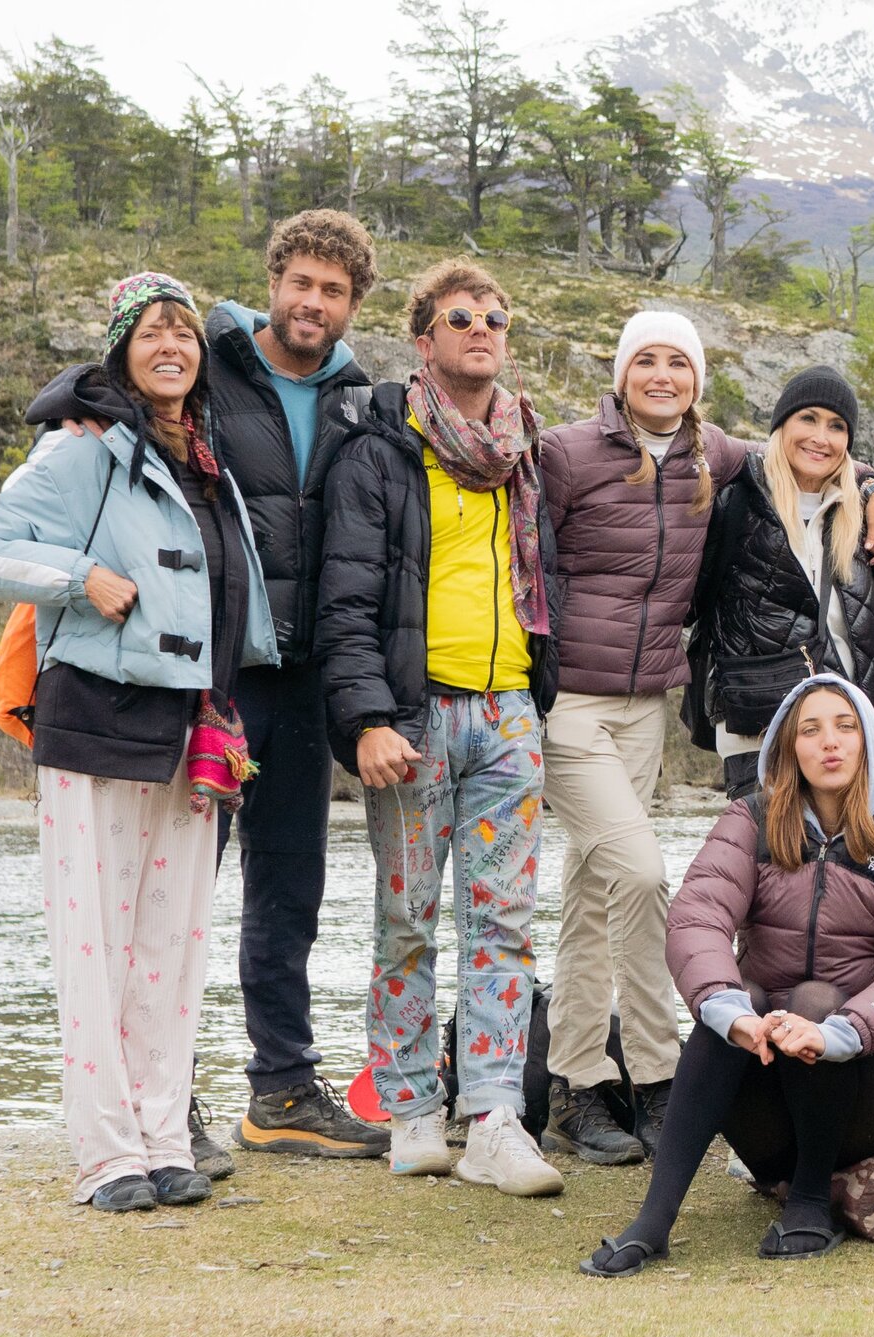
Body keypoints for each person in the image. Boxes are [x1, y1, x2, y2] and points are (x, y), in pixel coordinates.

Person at [27, 210, 385, 1173]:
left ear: (354, 307)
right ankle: (162, 1099)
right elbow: (114, 387)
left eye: (334, 292)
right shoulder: (211, 366)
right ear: (273, 282)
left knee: (290, 886)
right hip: (208, 676)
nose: (313, 304)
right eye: (301, 283)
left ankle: (281, 1093)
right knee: (171, 896)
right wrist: (75, 404)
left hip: (307, 678)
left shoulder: (361, 398)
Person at [0, 273, 278, 1211]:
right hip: (95, 717)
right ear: (121, 351)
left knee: (171, 947)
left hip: (190, 726)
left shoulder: (202, 457)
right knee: (93, 944)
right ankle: (105, 1154)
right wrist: (78, 574)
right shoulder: (80, 450)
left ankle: (163, 1136)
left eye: (185, 332)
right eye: (151, 333)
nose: (171, 346)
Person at [537, 315, 874, 1167]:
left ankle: (576, 1086)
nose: (662, 375)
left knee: (595, 888)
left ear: (698, 382)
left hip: (643, 705)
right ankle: (664, 1074)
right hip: (570, 699)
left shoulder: (712, 458)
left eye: (679, 364)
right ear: (620, 371)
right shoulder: (567, 452)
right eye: (646, 361)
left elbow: (819, 441)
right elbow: (529, 551)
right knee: (644, 873)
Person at [315, 258, 564, 1197]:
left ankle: (496, 1118)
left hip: (509, 717)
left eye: (496, 316)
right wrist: (368, 718)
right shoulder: (382, 451)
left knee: (504, 924)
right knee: (407, 921)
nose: (482, 328)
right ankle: (414, 1110)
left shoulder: (525, 452)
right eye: (461, 316)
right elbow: (345, 601)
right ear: (425, 338)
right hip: (416, 719)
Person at [580, 675, 874, 1277]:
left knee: (815, 1000)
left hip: (869, 1088)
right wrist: (731, 1012)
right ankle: (654, 1220)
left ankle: (810, 1200)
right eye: (810, 730)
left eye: (845, 727)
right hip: (764, 1082)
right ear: (788, 747)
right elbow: (697, 918)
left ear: (871, 745)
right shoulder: (749, 821)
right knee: (739, 998)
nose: (829, 743)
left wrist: (839, 1032)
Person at [684, 365, 874, 799]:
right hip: (755, 725)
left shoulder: (857, 514)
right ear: (781, 425)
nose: (822, 437)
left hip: (846, 731)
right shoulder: (735, 499)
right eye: (808, 419)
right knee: (769, 860)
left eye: (837, 426)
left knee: (844, 864)